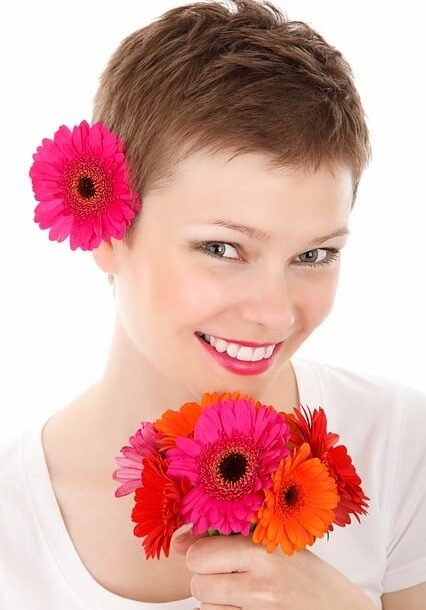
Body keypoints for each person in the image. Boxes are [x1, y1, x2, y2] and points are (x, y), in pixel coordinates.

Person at [0, 1, 425, 609]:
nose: (275, 314)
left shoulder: (401, 446)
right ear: (107, 230)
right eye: (222, 248)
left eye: (314, 255)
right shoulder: (11, 526)